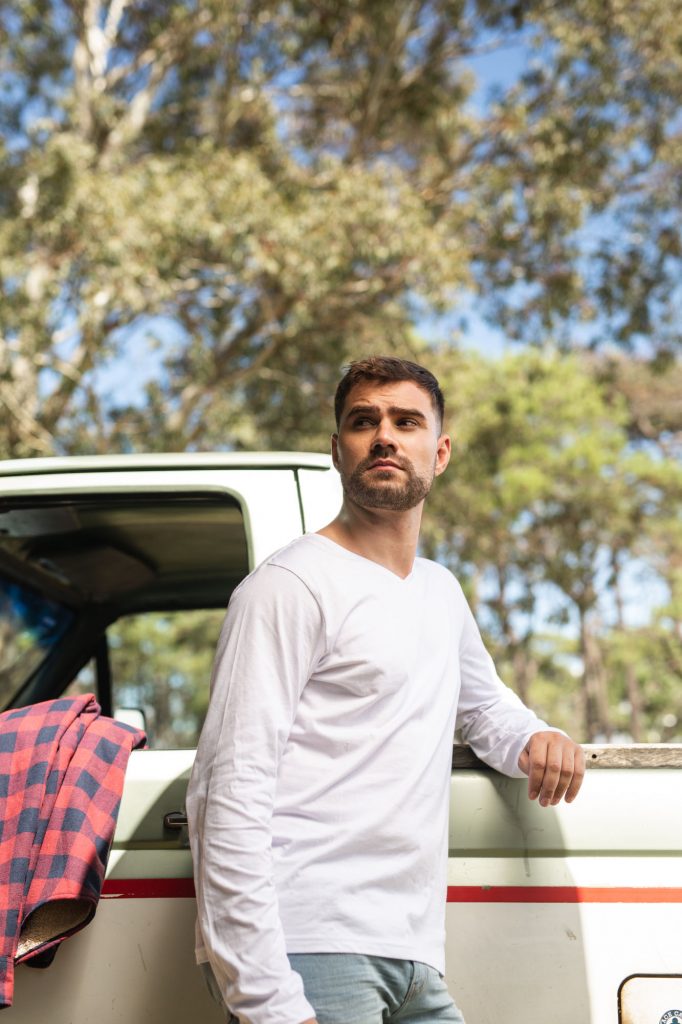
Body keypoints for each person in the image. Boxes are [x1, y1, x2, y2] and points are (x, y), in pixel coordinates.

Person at [186, 356, 585, 1024]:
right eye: (363, 421)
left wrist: (537, 737)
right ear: (336, 449)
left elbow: (485, 707)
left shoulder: (439, 591)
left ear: (441, 451)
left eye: (406, 422)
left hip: (413, 954)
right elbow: (227, 788)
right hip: (309, 946)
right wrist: (266, 997)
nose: (384, 437)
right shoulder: (288, 585)